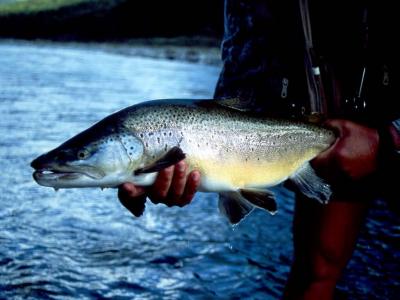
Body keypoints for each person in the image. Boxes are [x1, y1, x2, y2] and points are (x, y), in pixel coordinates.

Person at [118, 0, 399, 298]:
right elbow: (245, 66)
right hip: (342, 121)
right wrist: (204, 151)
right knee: (317, 271)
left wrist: (389, 138)